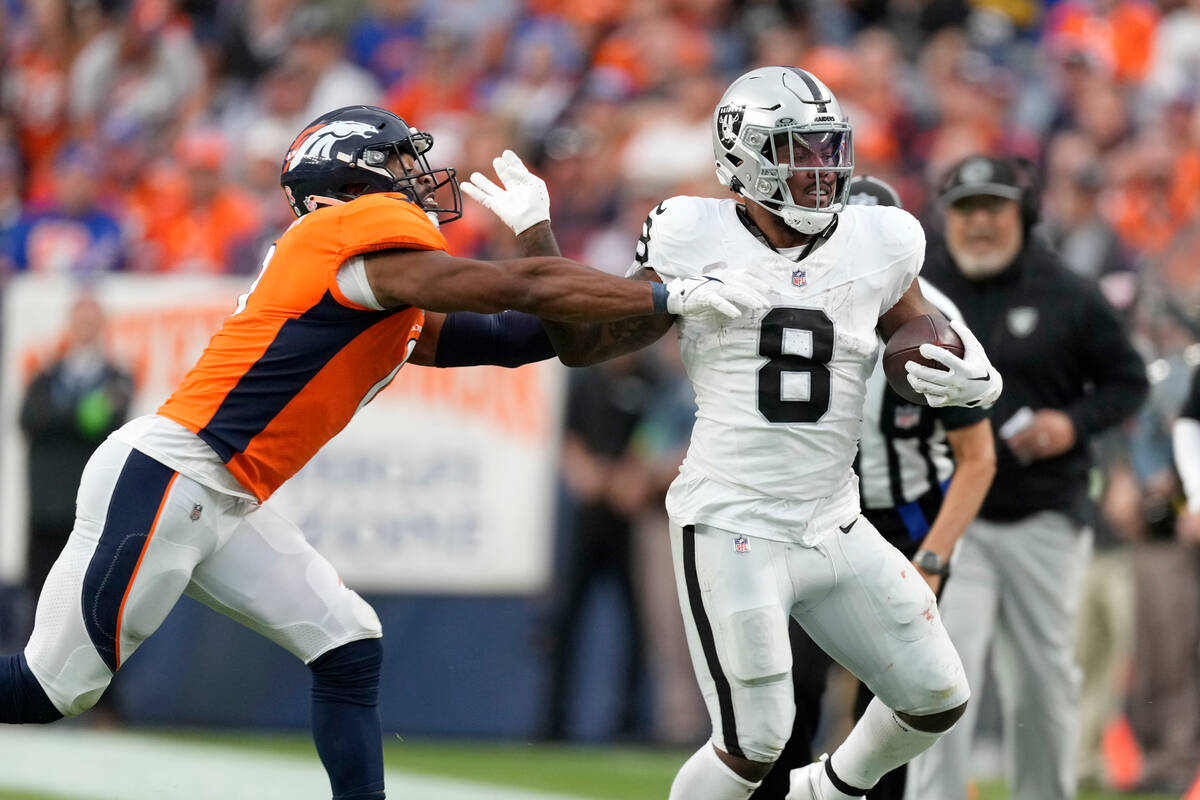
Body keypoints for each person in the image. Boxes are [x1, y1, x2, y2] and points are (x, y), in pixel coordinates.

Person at [0, 105, 766, 800]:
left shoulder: (376, 295)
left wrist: (621, 279)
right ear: (348, 184)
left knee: (347, 641)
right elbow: (523, 290)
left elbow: (540, 338)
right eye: (397, 165)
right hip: (176, 476)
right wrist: (658, 295)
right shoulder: (340, 241)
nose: (416, 182)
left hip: (222, 493)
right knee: (49, 692)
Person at [463, 67, 1004, 800]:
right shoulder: (692, 231)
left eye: (826, 148)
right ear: (742, 157)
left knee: (936, 695)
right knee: (754, 741)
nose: (820, 170)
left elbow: (917, 333)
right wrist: (538, 236)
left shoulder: (882, 236)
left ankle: (828, 791)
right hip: (733, 517)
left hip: (833, 519)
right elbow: (585, 343)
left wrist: (972, 372)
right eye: (798, 150)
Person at [906, 154, 1149, 800]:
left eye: (992, 208)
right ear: (945, 217)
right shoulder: (921, 290)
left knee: (1045, 680)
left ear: (1024, 214)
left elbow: (1128, 382)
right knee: (942, 672)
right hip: (955, 514)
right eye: (964, 209)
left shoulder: (1067, 290)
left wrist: (1070, 426)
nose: (978, 223)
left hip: (1043, 511)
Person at [750, 176, 997, 800]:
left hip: (906, 521)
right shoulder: (795, 296)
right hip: (813, 515)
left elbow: (977, 458)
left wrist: (934, 558)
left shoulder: (932, 320)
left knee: (897, 694)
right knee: (789, 684)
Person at [19, 294, 133, 602]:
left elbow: (109, 424)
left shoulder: (117, 378)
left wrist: (61, 415)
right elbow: (29, 418)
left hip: (90, 512)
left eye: (91, 323)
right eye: (80, 322)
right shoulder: (46, 377)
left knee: (83, 600)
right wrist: (83, 411)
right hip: (46, 512)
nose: (85, 330)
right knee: (40, 598)